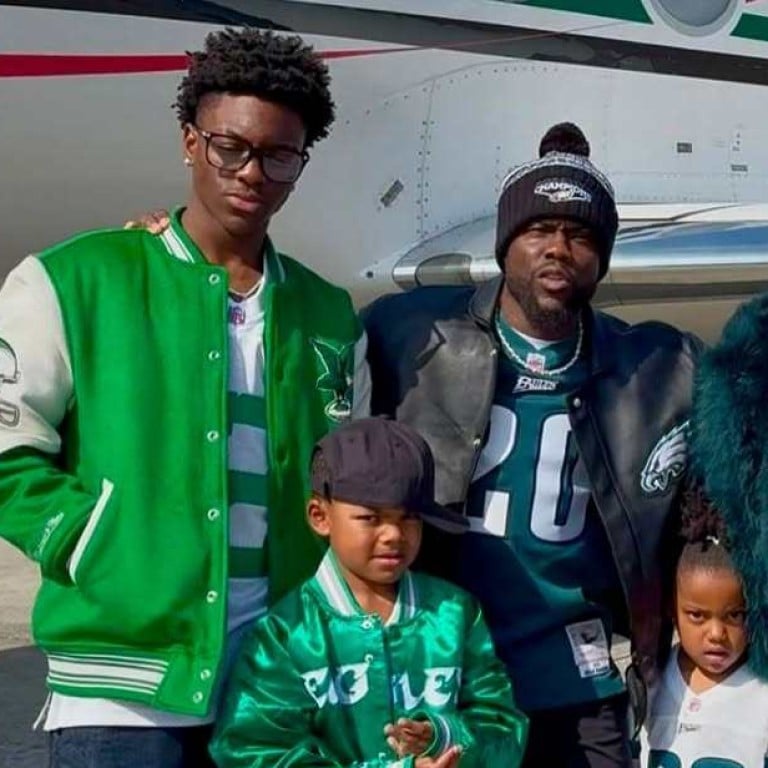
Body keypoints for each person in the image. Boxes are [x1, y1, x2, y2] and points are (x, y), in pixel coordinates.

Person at [0, 28, 369, 768]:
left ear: (302, 161)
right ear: (189, 142)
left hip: (278, 689)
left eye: (278, 155)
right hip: (120, 692)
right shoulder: (74, 281)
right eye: (229, 146)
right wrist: (94, 542)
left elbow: (350, 482)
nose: (251, 173)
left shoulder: (330, 316)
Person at [363, 122, 701, 767]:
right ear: (504, 245)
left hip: (579, 676)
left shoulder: (658, 366)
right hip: (444, 671)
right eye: (538, 230)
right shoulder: (409, 331)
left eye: (579, 236)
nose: (557, 249)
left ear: (601, 257)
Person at [209, 417, 528, 768]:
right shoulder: (286, 634)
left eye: (409, 517)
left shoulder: (455, 613)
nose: (394, 534)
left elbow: (502, 730)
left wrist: (442, 737)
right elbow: (254, 751)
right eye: (370, 518)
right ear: (320, 516)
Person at [641, 486, 768, 768]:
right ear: (672, 610)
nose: (716, 634)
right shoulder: (651, 679)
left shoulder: (761, 692)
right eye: (697, 615)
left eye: (734, 615)